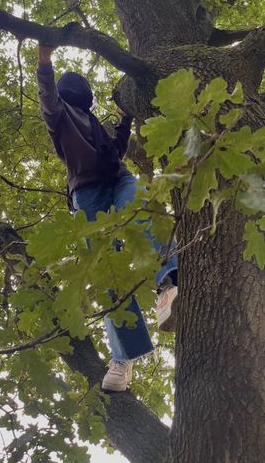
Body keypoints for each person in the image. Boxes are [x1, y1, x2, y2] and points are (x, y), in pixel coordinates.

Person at [37, 44, 178, 392]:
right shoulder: (60, 116)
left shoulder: (94, 122)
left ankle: (169, 287)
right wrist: (44, 59)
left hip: (119, 180)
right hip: (88, 193)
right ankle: (123, 357)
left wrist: (125, 116)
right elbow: (48, 98)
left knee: (143, 214)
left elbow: (116, 149)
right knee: (104, 266)